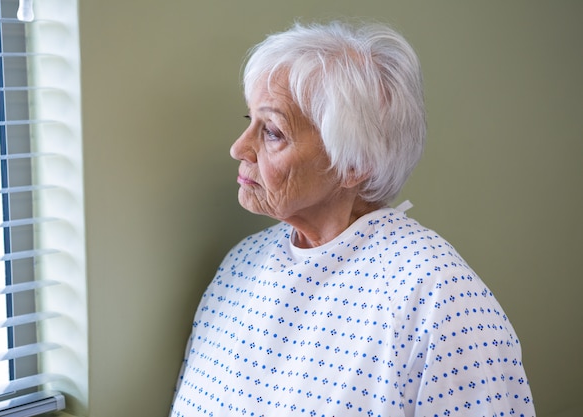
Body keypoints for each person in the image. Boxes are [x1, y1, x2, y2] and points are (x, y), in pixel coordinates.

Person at [170, 20, 535, 417]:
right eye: (250, 123)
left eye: (273, 131)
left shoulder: (441, 301)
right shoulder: (240, 265)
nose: (239, 147)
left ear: (354, 165)